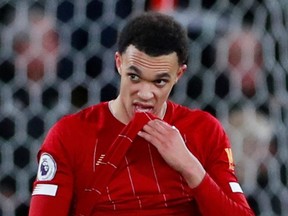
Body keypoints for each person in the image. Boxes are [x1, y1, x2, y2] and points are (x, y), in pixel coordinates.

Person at [29, 12, 254, 215]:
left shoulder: (204, 131)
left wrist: (190, 167)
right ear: (119, 63)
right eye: (134, 77)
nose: (145, 94)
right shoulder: (70, 134)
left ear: (178, 75)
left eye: (159, 82)